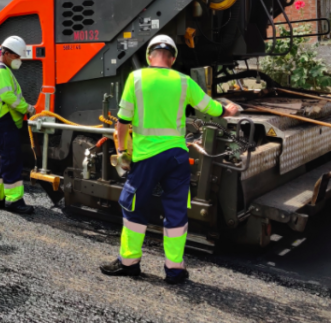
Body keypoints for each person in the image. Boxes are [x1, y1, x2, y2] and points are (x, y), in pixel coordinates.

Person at [100, 34, 240, 284]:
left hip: (146, 158)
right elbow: (210, 107)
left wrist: (122, 151)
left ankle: (129, 263)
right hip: (176, 157)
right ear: (173, 58)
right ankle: (175, 270)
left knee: (133, 207)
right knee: (176, 212)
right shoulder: (184, 81)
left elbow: (123, 122)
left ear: (149, 55)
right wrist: (226, 110)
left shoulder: (137, 78)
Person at [0, 35, 37, 214]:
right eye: (17, 56)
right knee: (10, 160)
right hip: (3, 122)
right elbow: (8, 97)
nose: (19, 60)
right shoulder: (1, 71)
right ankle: (14, 201)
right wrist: (27, 108)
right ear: (6, 53)